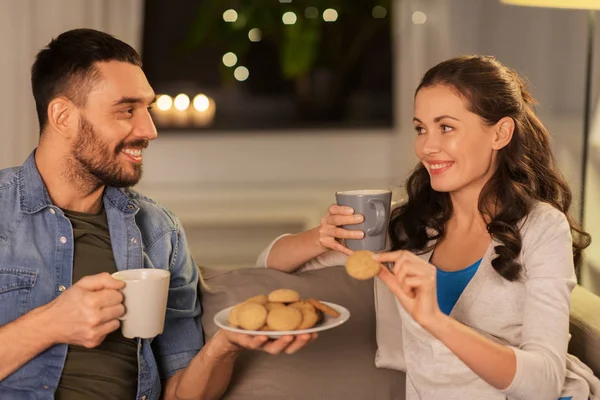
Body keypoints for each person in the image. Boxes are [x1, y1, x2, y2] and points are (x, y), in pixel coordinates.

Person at [258, 55, 600, 399]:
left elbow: (543, 384)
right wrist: (322, 237)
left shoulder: (541, 228)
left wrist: (435, 319)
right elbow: (270, 263)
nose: (426, 146)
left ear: (500, 133)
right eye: (421, 128)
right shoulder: (407, 228)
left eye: (446, 127)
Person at [0, 28, 316, 400]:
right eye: (127, 110)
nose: (149, 129)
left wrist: (225, 344)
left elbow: (181, 392)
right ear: (63, 116)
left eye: (147, 109)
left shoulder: (158, 231)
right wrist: (50, 324)